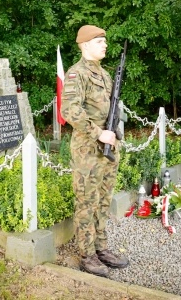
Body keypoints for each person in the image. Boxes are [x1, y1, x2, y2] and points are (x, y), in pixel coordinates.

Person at [61, 25, 129, 277]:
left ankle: (101, 248)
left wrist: (112, 134)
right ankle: (87, 255)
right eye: (100, 41)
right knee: (87, 202)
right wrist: (98, 133)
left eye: (105, 41)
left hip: (108, 146)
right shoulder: (76, 74)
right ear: (85, 44)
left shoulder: (103, 73)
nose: (105, 45)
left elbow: (110, 107)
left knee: (103, 201)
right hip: (88, 150)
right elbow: (69, 110)